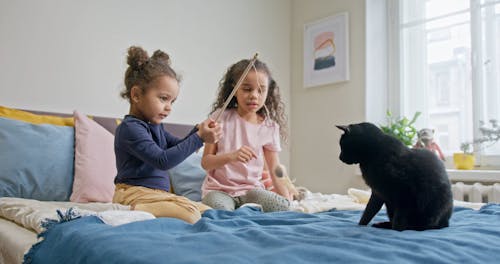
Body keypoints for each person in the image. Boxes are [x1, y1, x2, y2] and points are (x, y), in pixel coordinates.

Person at [113, 46, 222, 224]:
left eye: (172, 101)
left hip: (158, 196)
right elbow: (163, 161)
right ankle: (135, 210)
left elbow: (178, 146)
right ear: (136, 95)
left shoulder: (156, 127)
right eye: (163, 98)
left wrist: (198, 131)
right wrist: (199, 138)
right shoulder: (130, 129)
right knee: (191, 215)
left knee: (210, 213)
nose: (169, 107)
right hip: (133, 194)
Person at [201, 58, 296, 212]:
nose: (254, 95)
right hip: (219, 190)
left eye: (261, 90)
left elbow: (275, 168)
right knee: (221, 213)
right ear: (235, 88)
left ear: (268, 91)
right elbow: (206, 162)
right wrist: (232, 156)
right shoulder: (219, 118)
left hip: (251, 191)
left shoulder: (270, 127)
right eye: (247, 89)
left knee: (283, 207)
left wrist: (286, 199)